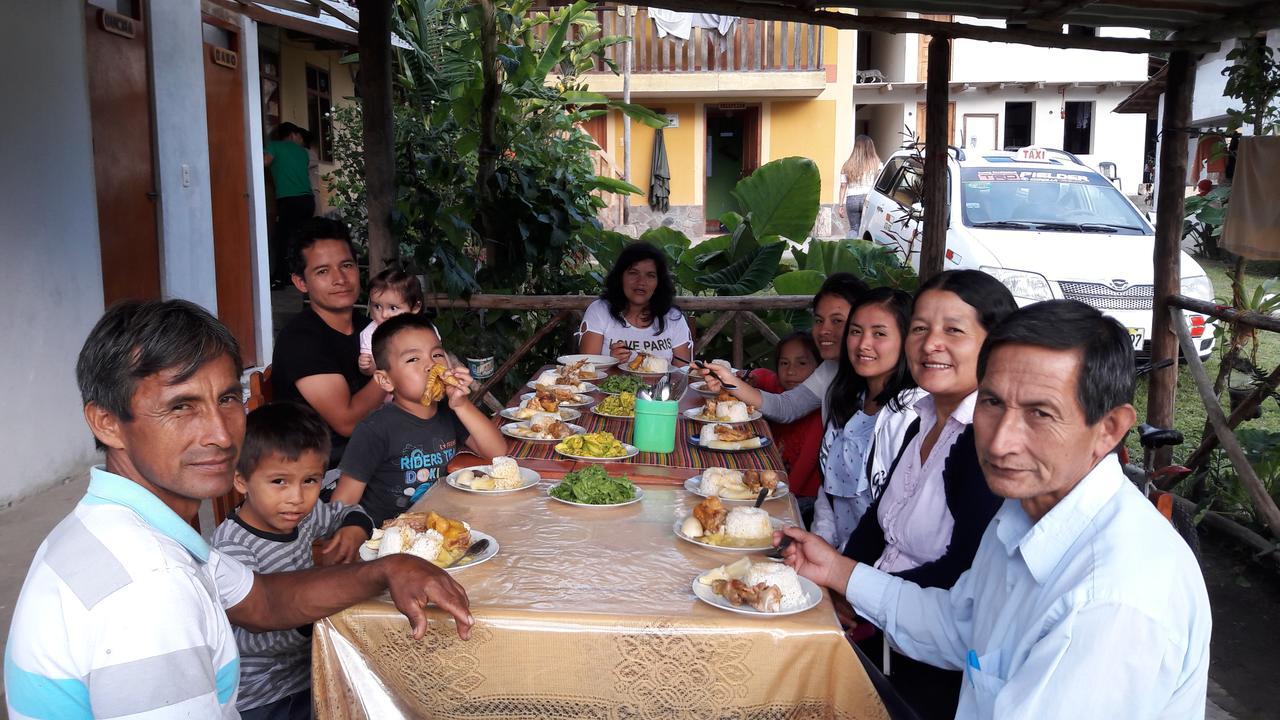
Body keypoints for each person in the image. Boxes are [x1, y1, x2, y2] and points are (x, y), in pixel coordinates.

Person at [5, 300, 472, 718]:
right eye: (181, 406)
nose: (222, 434)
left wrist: (387, 569)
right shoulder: (147, 589)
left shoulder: (122, 524)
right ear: (106, 422)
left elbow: (263, 601)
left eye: (228, 398)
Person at [780, 300, 1212, 720]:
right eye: (992, 403)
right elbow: (958, 625)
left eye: (1040, 413)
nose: (1000, 442)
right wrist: (837, 570)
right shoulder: (1023, 512)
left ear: (1110, 428)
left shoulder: (1110, 606)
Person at [836, 269, 1015, 719]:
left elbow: (964, 569)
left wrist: (857, 590)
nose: (930, 343)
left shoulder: (984, 445)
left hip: (932, 664)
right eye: (920, 328)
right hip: (880, 630)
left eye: (953, 330)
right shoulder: (923, 419)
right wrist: (841, 582)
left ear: (994, 344)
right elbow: (878, 520)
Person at [212, 402, 374, 718]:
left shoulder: (305, 517)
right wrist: (308, 617)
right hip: (261, 695)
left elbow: (346, 510)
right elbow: (243, 640)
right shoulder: (231, 548)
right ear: (241, 480)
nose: (297, 498)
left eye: (310, 481)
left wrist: (354, 529)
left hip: (311, 672)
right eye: (279, 482)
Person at [332, 314, 508, 527]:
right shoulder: (374, 429)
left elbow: (497, 452)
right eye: (413, 359)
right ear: (385, 380)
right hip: (388, 535)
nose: (431, 366)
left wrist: (463, 405)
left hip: (441, 525)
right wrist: (352, 531)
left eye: (437, 355)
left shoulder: (449, 412)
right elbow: (342, 504)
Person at [812, 287, 923, 550]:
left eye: (879, 334)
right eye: (855, 331)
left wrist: (839, 563)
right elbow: (828, 491)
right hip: (833, 556)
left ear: (906, 341)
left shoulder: (911, 413)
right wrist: (820, 542)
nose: (863, 344)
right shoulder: (848, 396)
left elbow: (895, 516)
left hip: (875, 565)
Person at [272, 217, 384, 468]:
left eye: (347, 265)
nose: (340, 279)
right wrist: (395, 369)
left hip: (380, 457)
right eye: (322, 271)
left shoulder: (369, 328)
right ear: (301, 282)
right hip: (321, 475)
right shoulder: (300, 340)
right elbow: (347, 422)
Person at [701, 272, 868, 424]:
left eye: (837, 321)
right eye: (819, 320)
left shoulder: (876, 384)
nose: (824, 330)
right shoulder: (831, 369)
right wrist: (729, 380)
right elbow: (786, 407)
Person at [747, 332, 824, 520]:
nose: (791, 371)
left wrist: (781, 500)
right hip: (776, 480)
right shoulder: (782, 391)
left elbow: (804, 468)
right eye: (784, 363)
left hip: (803, 496)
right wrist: (752, 377)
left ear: (820, 372)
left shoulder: (818, 416)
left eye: (802, 363)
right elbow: (766, 377)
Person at [578, 242, 692, 367]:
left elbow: (683, 372)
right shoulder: (600, 311)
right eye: (633, 273)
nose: (641, 282)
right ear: (620, 277)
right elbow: (586, 371)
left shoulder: (672, 317)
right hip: (607, 386)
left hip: (662, 386)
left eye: (650, 275)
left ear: (659, 283)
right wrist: (610, 361)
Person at [265, 122, 317, 288]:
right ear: (293, 135)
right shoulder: (303, 153)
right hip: (308, 200)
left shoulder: (274, 146)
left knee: (282, 240)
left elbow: (264, 163)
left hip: (289, 200)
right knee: (300, 239)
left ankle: (281, 278)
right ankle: (303, 275)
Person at [359, 268, 426, 377]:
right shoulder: (370, 333)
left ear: (415, 307)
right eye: (377, 306)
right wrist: (367, 366)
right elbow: (372, 372)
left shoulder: (425, 329)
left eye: (393, 308)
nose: (384, 314)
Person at [837, 135, 882, 238]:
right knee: (867, 230)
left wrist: (840, 206)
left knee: (854, 229)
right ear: (871, 147)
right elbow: (879, 183)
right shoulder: (877, 164)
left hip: (851, 199)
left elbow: (843, 186)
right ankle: (864, 252)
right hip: (868, 199)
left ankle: (848, 251)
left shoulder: (847, 165)